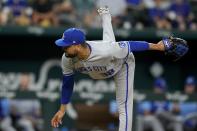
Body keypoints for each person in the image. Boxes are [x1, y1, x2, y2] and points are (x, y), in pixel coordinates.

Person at [50, 7, 180, 131]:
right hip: (102, 67)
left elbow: (131, 45)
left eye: (66, 46)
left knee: (123, 106)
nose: (63, 48)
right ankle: (106, 16)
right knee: (109, 44)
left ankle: (106, 17)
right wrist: (62, 110)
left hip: (122, 63)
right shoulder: (67, 58)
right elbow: (67, 84)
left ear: (77, 46)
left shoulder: (105, 51)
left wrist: (157, 47)